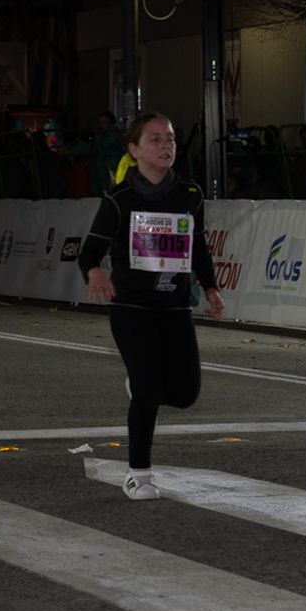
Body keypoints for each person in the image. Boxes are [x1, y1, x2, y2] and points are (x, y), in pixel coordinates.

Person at [78, 112, 225, 501]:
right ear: (134, 150)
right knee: (146, 387)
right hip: (132, 307)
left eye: (171, 139)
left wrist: (210, 287)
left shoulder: (190, 194)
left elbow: (200, 248)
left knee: (185, 393)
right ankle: (138, 474)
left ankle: (142, 386)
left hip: (174, 307)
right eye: (156, 140)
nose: (166, 146)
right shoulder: (118, 198)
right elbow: (89, 251)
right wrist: (95, 272)